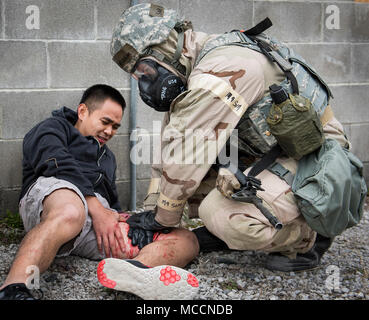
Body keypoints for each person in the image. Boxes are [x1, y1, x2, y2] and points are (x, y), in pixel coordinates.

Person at [104, 2, 366, 292]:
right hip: (277, 153)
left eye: (145, 70)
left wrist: (160, 220)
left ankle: (308, 237)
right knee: (192, 193)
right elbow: (172, 145)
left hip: (320, 164)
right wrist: (153, 208)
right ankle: (244, 230)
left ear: (165, 46)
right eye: (138, 76)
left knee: (218, 212)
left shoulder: (219, 69)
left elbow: (187, 158)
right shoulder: (197, 71)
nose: (145, 84)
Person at [0, 84, 200, 300]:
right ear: (83, 111)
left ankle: (135, 273)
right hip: (56, 201)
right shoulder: (53, 127)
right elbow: (55, 162)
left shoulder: (108, 158)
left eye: (115, 126)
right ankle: (15, 288)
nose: (109, 131)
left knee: (186, 238)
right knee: (71, 212)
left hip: (95, 222)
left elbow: (111, 202)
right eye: (105, 122)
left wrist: (121, 218)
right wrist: (96, 208)